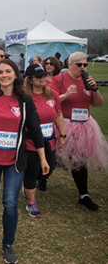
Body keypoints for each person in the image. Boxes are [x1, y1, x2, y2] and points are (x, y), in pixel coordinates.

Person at [0, 59, 49, 264]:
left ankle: (7, 243)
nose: (3, 75)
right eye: (0, 72)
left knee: (10, 202)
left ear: (16, 74)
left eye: (8, 71)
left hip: (15, 161)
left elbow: (35, 129)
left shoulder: (25, 100)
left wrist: (42, 157)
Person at [50, 52, 108, 210]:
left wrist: (95, 89)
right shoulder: (59, 80)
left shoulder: (87, 81)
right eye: (79, 65)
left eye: (85, 65)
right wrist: (66, 94)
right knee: (53, 157)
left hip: (84, 125)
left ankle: (84, 195)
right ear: (70, 65)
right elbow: (50, 101)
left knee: (80, 160)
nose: (83, 68)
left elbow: (97, 104)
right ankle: (38, 180)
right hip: (64, 123)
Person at [22, 64, 66, 217]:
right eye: (39, 77)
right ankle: (31, 202)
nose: (43, 79)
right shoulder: (24, 97)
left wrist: (62, 135)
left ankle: (29, 185)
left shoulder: (52, 94)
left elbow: (59, 114)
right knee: (32, 171)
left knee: (48, 169)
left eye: (44, 76)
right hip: (30, 142)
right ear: (30, 80)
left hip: (49, 139)